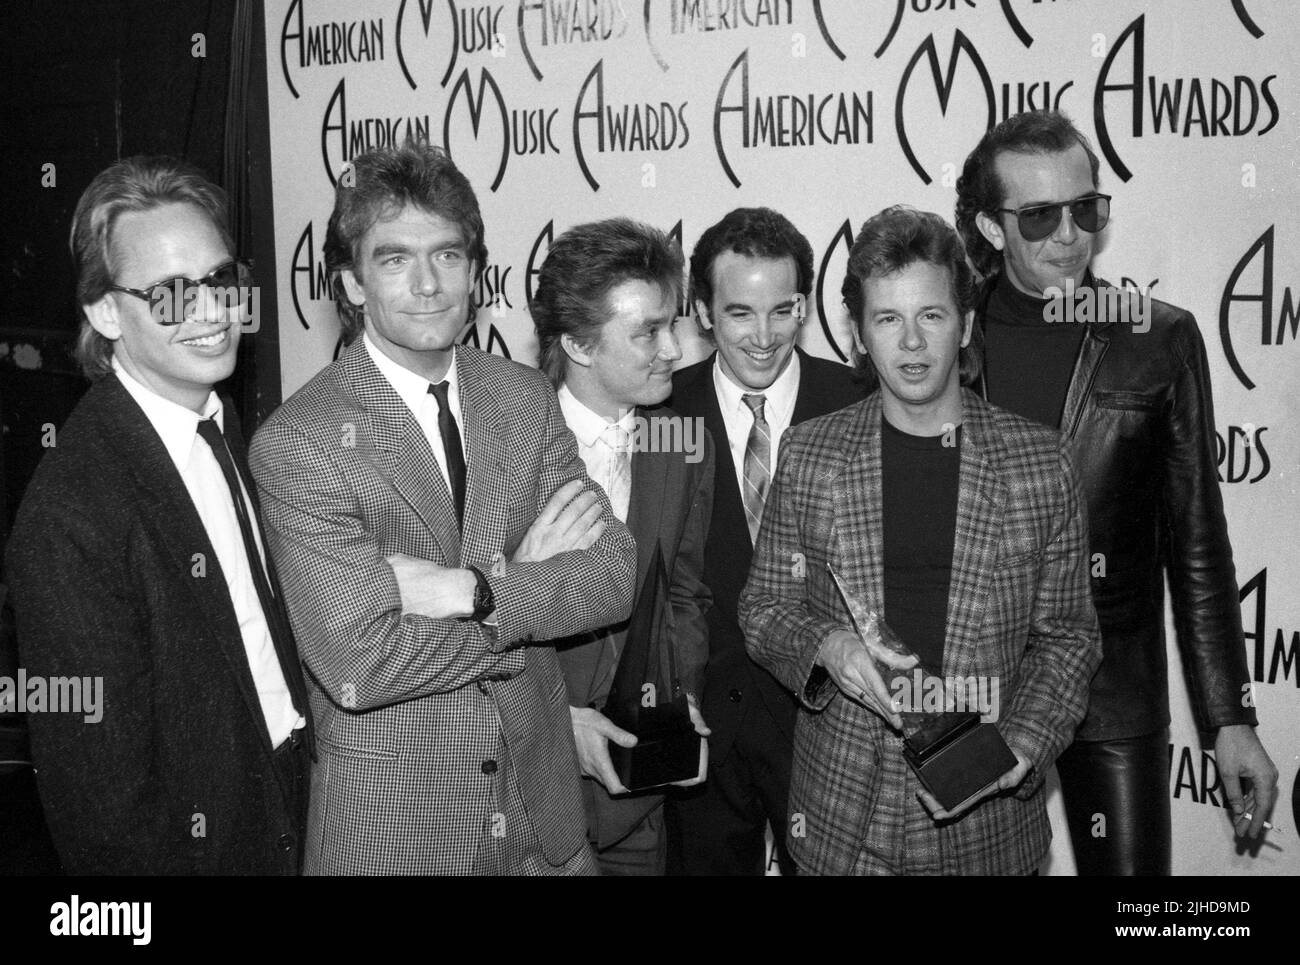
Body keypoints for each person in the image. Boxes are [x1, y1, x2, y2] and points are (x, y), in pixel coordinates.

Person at [248, 140, 636, 875]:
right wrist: (525, 582)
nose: (427, 284)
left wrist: (472, 590)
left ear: (475, 271)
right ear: (352, 283)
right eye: (394, 259)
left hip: (546, 833)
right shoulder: (298, 442)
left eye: (448, 256)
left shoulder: (523, 397)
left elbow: (613, 574)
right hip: (398, 833)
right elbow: (363, 661)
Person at [955, 109, 1278, 874]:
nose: (1069, 234)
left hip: (1113, 690)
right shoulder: (944, 340)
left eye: (1086, 209)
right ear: (991, 229)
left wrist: (1229, 715)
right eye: (1039, 216)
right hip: (974, 691)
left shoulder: (1158, 340)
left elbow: (1198, 544)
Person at [739, 206, 1102, 875]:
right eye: (887, 319)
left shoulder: (1039, 462)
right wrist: (829, 647)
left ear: (964, 325)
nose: (910, 342)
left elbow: (1069, 639)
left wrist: (1018, 750)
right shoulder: (810, 454)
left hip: (986, 817)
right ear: (860, 333)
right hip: (841, 818)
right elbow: (763, 609)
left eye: (930, 316)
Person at [5, 156, 311, 874]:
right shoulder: (70, 515)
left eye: (220, 280)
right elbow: (103, 818)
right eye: (171, 294)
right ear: (105, 312)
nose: (212, 313)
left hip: (289, 805)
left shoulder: (214, 415)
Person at [668, 207, 865, 875]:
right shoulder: (660, 415)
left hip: (829, 726)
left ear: (805, 306)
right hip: (701, 737)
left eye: (782, 311)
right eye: (739, 313)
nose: (763, 336)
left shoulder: (859, 404)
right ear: (701, 310)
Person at [532, 217, 714, 875]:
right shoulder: (502, 448)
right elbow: (476, 622)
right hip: (527, 803)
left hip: (639, 800)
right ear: (579, 345)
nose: (673, 348)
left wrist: (679, 693)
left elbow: (687, 593)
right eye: (647, 333)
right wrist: (558, 724)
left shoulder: (685, 444)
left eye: (673, 324)